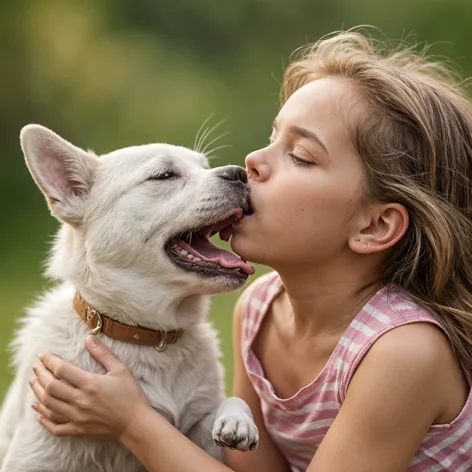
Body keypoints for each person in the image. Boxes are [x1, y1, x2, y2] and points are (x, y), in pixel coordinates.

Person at [29, 28, 472, 472]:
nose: (252, 161)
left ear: (375, 226)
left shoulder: (404, 352)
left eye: (300, 155)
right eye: (271, 137)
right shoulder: (260, 308)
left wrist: (133, 422)